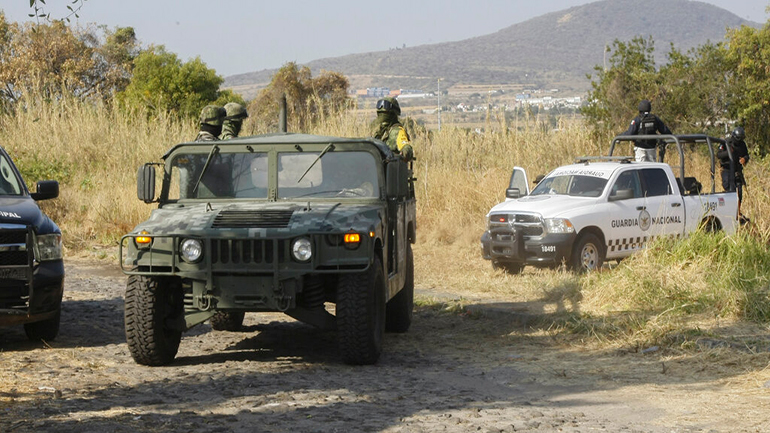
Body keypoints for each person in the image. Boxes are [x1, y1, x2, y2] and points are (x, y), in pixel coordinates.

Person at [717, 126, 750, 224]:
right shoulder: (726, 142)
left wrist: (745, 159)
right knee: (728, 188)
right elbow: (718, 155)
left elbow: (747, 155)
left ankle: (737, 212)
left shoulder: (742, 145)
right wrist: (728, 153)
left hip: (737, 170)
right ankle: (729, 211)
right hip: (727, 169)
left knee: (739, 192)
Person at [373, 96, 414, 161]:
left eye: (385, 114)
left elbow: (406, 146)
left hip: (392, 168)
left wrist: (404, 153)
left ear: (392, 114)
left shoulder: (397, 131)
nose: (382, 116)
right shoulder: (378, 131)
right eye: (380, 114)